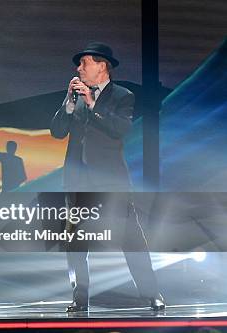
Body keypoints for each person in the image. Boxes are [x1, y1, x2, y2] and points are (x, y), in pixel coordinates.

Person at [50, 42, 165, 313]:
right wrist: (68, 103)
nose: (79, 69)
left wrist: (91, 104)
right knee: (76, 243)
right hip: (78, 182)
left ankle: (151, 293)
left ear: (102, 65)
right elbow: (56, 131)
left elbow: (119, 129)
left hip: (111, 182)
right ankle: (80, 297)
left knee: (131, 239)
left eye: (84, 63)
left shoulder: (123, 96)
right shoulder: (74, 97)